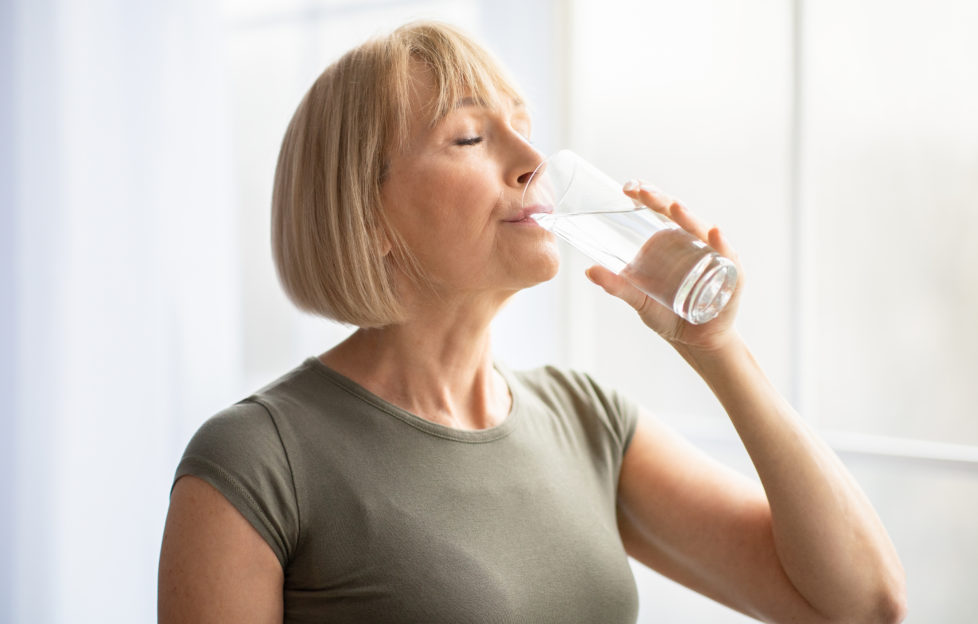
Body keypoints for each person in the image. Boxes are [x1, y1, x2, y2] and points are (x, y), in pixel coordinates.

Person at [158, 21, 906, 624]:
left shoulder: (585, 420)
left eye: (522, 127)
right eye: (469, 138)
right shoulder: (257, 460)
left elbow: (863, 607)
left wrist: (717, 348)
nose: (531, 160)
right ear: (370, 215)